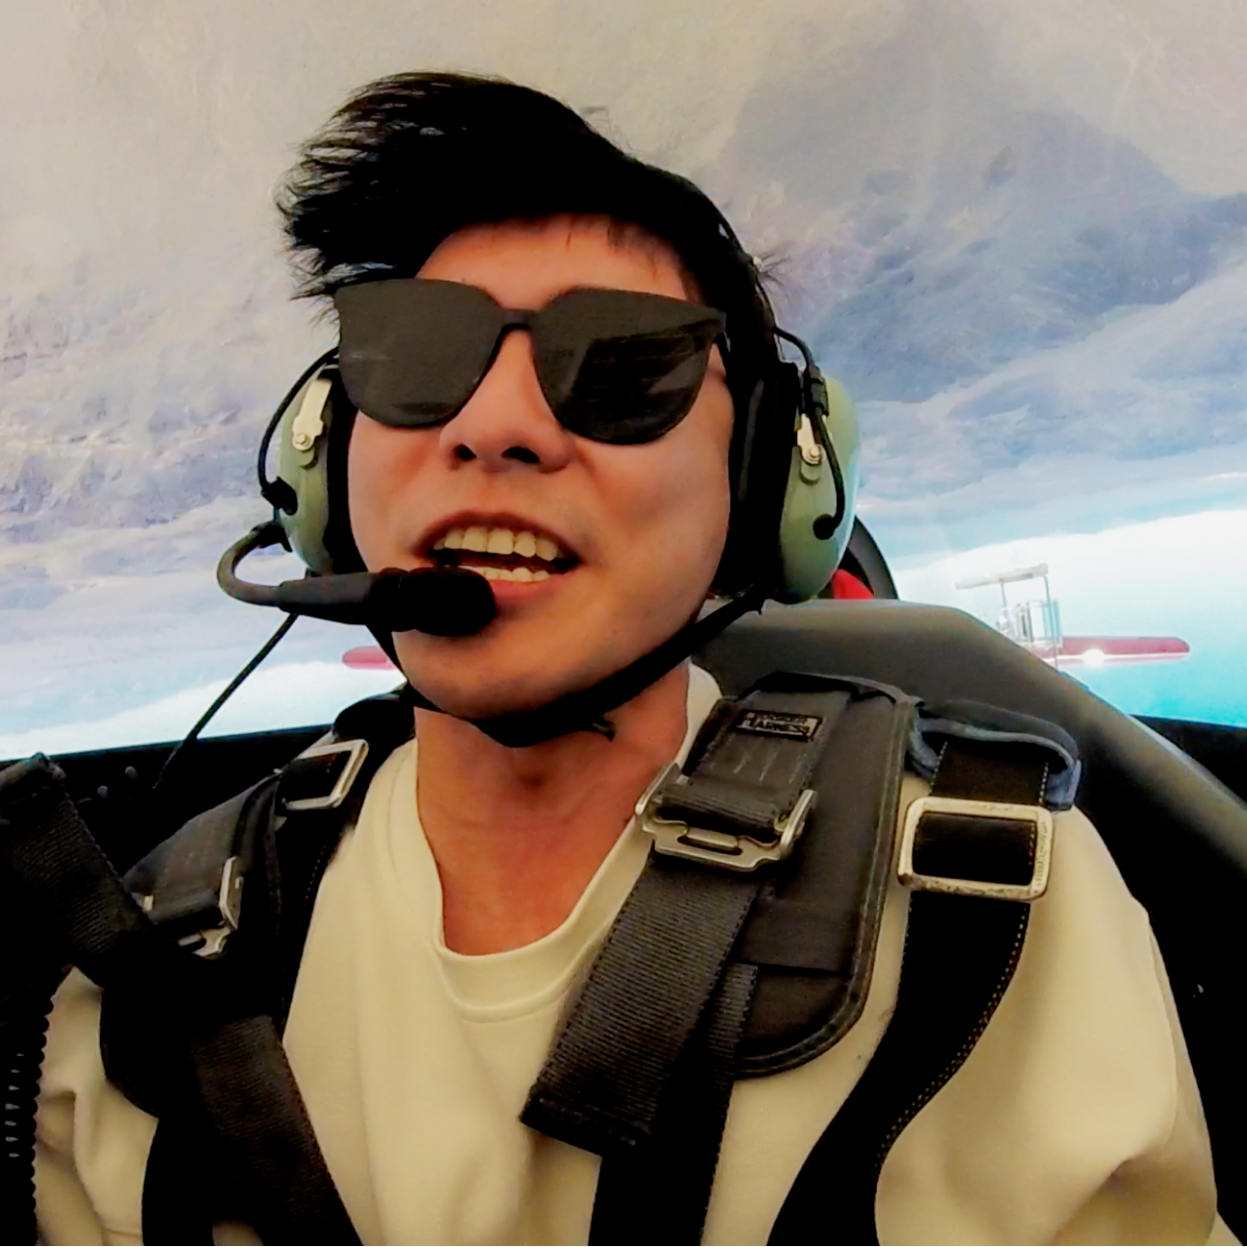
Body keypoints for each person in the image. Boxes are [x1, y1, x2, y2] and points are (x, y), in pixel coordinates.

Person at [31, 73, 1231, 1246]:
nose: (489, 426)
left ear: (765, 482)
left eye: (619, 363)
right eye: (409, 354)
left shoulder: (989, 916)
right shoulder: (160, 962)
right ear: (324, 462)